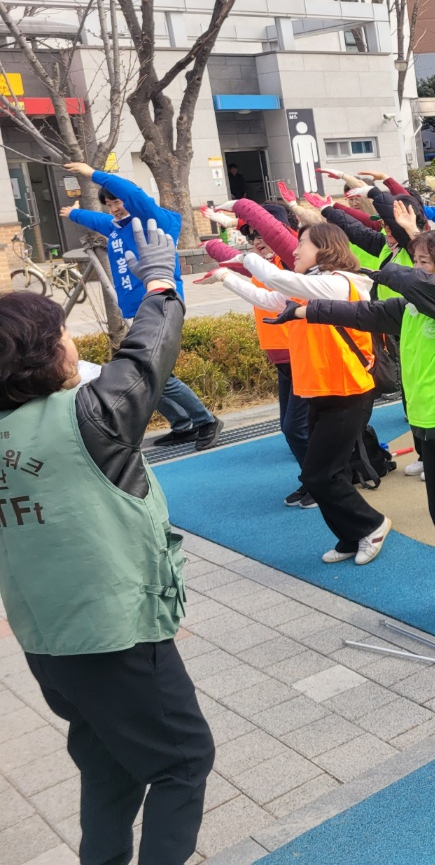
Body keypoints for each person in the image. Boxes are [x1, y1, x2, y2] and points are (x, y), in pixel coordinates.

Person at [0, 221, 215, 864]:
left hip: (47, 641)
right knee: (182, 761)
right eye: (64, 334)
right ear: (45, 354)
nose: (73, 343)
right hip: (116, 633)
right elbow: (145, 358)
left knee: (109, 763)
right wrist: (160, 282)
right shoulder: (89, 418)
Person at [293, 220, 435, 629]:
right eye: (416, 262)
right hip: (431, 422)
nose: (417, 268)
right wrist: (308, 310)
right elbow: (366, 312)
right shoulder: (415, 304)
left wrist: (388, 272)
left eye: (424, 262)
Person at [205, 224, 393, 566]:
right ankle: (351, 536)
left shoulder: (340, 283)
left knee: (318, 475)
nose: (294, 251)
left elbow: (280, 281)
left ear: (324, 247)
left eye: (302, 244)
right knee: (325, 474)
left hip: (348, 391)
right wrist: (224, 277)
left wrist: (243, 258)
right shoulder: (311, 284)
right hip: (320, 390)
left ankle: (372, 525)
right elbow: (267, 299)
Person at [61, 162, 224, 450]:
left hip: (160, 304)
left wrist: (93, 174)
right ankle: (183, 424)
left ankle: (206, 421)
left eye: (118, 201)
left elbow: (134, 194)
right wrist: (73, 213)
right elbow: (99, 220)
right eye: (110, 203)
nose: (115, 208)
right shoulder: (116, 228)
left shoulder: (152, 220)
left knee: (154, 373)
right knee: (144, 373)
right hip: (140, 309)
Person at [202, 201, 311, 506]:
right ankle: (315, 480)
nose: (258, 241)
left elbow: (269, 293)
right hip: (282, 359)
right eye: (252, 237)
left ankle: (322, 483)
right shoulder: (263, 261)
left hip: (301, 355)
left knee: (296, 428)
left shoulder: (290, 260)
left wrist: (241, 208)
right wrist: (212, 244)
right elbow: (236, 260)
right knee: (293, 428)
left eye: (263, 235)